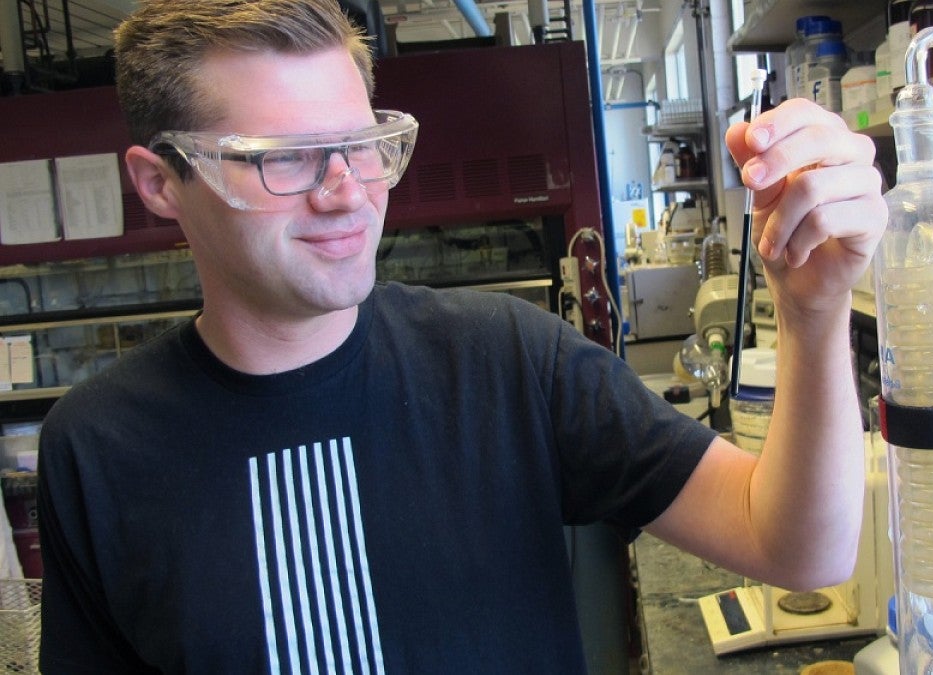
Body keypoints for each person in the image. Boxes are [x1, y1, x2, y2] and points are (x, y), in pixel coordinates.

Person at [36, 0, 887, 672]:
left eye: (362, 145)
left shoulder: (508, 362)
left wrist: (814, 314)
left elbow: (798, 546)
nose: (345, 191)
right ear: (159, 183)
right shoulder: (101, 446)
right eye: (281, 158)